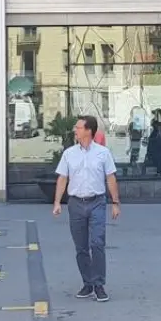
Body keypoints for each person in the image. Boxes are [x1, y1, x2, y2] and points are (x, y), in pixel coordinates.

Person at [53, 115, 120, 303]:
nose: (75, 130)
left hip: (97, 202)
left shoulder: (103, 153)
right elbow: (62, 178)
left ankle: (99, 284)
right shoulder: (69, 154)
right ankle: (87, 283)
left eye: (78, 127)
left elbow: (111, 178)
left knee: (97, 243)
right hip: (76, 203)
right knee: (81, 246)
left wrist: (115, 203)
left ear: (89, 131)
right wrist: (57, 202)